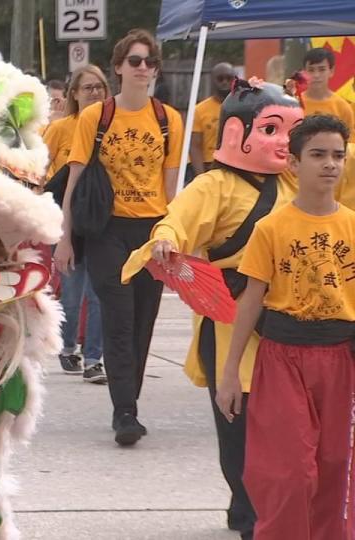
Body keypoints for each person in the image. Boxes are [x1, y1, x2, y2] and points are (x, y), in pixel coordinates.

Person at [122, 79, 303, 539]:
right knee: (237, 426)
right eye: (271, 129)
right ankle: (248, 513)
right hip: (232, 319)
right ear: (235, 133)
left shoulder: (295, 182)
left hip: (287, 321)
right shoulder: (213, 185)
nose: (285, 142)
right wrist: (165, 242)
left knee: (280, 429)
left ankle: (255, 505)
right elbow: (176, 221)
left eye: (292, 131)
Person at [217, 114, 355, 540]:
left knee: (336, 467)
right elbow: (251, 302)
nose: (330, 164)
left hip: (341, 359)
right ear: (293, 163)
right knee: (288, 472)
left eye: (337, 155)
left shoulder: (352, 224)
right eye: (318, 155)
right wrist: (229, 373)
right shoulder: (271, 228)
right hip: (281, 359)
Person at [55, 28, 183, 446]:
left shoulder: (169, 119)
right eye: (135, 61)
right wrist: (65, 238)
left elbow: (171, 188)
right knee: (118, 317)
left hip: (151, 230)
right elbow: (74, 179)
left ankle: (130, 400)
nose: (143, 68)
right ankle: (124, 411)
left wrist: (175, 235)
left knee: (143, 321)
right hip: (108, 229)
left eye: (150, 62)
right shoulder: (97, 116)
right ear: (119, 67)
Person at [42, 64, 110, 383]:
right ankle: (68, 345)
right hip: (69, 216)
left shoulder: (114, 126)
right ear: (74, 95)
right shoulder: (61, 128)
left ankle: (94, 358)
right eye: (88, 88)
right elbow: (38, 169)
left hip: (103, 218)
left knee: (97, 292)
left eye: (99, 87)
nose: (95, 92)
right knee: (71, 290)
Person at [190, 62, 236, 175]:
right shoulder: (199, 110)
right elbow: (195, 146)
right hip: (210, 166)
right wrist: (201, 176)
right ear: (212, 80)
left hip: (237, 166)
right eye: (220, 79)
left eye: (229, 78)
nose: (224, 82)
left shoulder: (245, 106)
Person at [300, 48, 355, 138]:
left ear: (331, 71)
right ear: (304, 73)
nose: (316, 75)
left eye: (322, 70)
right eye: (311, 70)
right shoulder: (294, 103)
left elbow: (349, 144)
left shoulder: (342, 107)